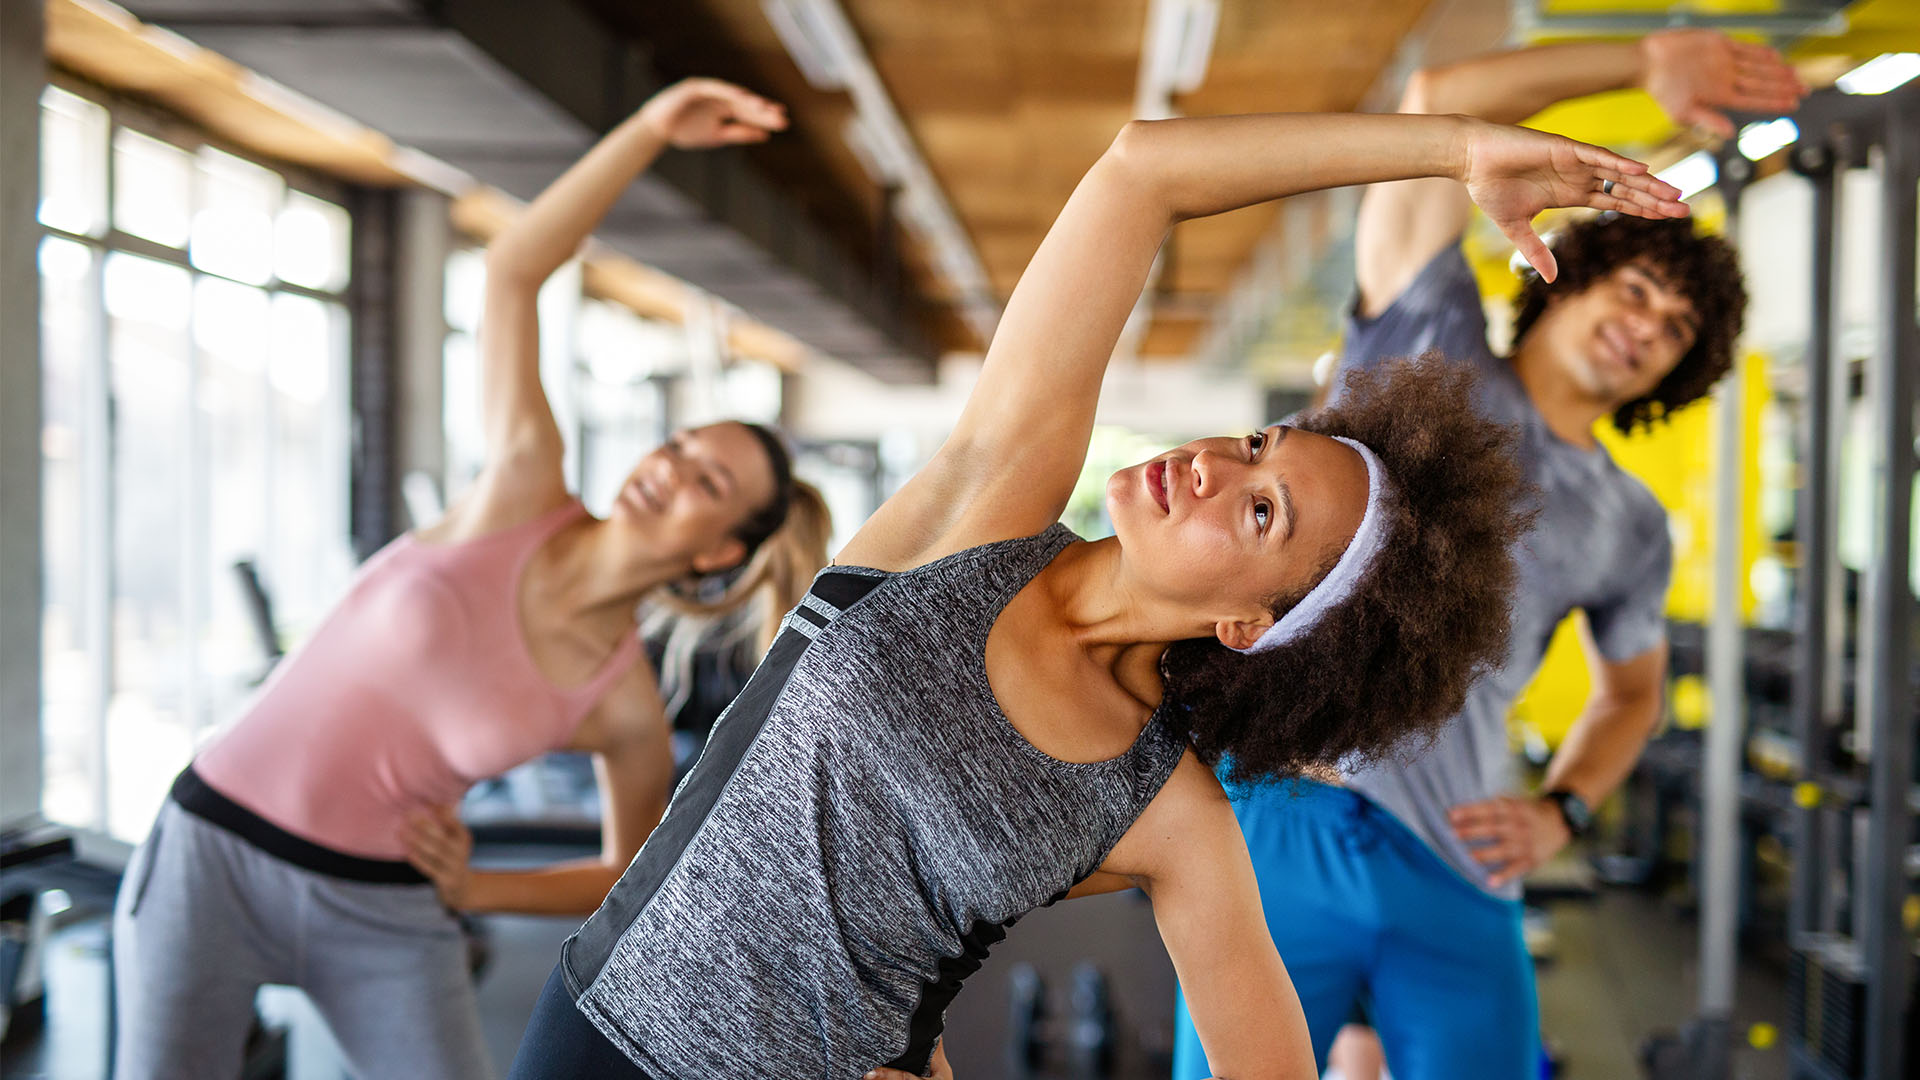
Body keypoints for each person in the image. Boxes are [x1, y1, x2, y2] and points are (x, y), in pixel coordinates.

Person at [505, 102, 1687, 1080]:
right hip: (597, 1036)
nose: (1219, 465)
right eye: (1266, 444)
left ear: (1254, 626)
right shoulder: (992, 510)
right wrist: (1452, 149)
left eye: (1261, 513)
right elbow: (1142, 170)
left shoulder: (1167, 809)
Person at [110, 78, 825, 1080]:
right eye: (677, 445)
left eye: (707, 480)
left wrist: (479, 889)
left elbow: (629, 872)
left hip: (387, 908)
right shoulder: (523, 486)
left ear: (719, 552)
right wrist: (653, 128)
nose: (667, 467)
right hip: (213, 855)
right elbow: (514, 272)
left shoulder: (620, 699)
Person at [1171, 30, 1804, 1080]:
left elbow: (1630, 696)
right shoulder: (1431, 334)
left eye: (1677, 326)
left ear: (1678, 372)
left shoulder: (1632, 522)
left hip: (1456, 853)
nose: (1645, 325)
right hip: (1284, 813)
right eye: (1638, 290)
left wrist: (1561, 810)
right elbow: (1435, 96)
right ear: (1574, 275)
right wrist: (1645, 66)